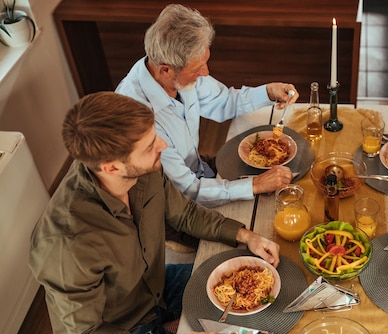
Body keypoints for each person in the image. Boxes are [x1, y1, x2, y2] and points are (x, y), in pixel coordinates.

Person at [28, 92, 281, 334]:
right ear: (112, 167)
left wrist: (245, 236)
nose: (162, 145)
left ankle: (171, 326)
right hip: (116, 332)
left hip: (153, 284)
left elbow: (185, 214)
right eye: (150, 146)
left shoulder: (143, 169)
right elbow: (87, 332)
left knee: (257, 283)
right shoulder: (64, 244)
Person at [116, 3, 298, 210]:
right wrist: (254, 185)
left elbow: (225, 102)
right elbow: (187, 190)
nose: (205, 72)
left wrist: (268, 92)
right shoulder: (139, 119)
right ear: (165, 70)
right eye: (197, 68)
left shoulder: (176, 73)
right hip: (173, 207)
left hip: (201, 172)